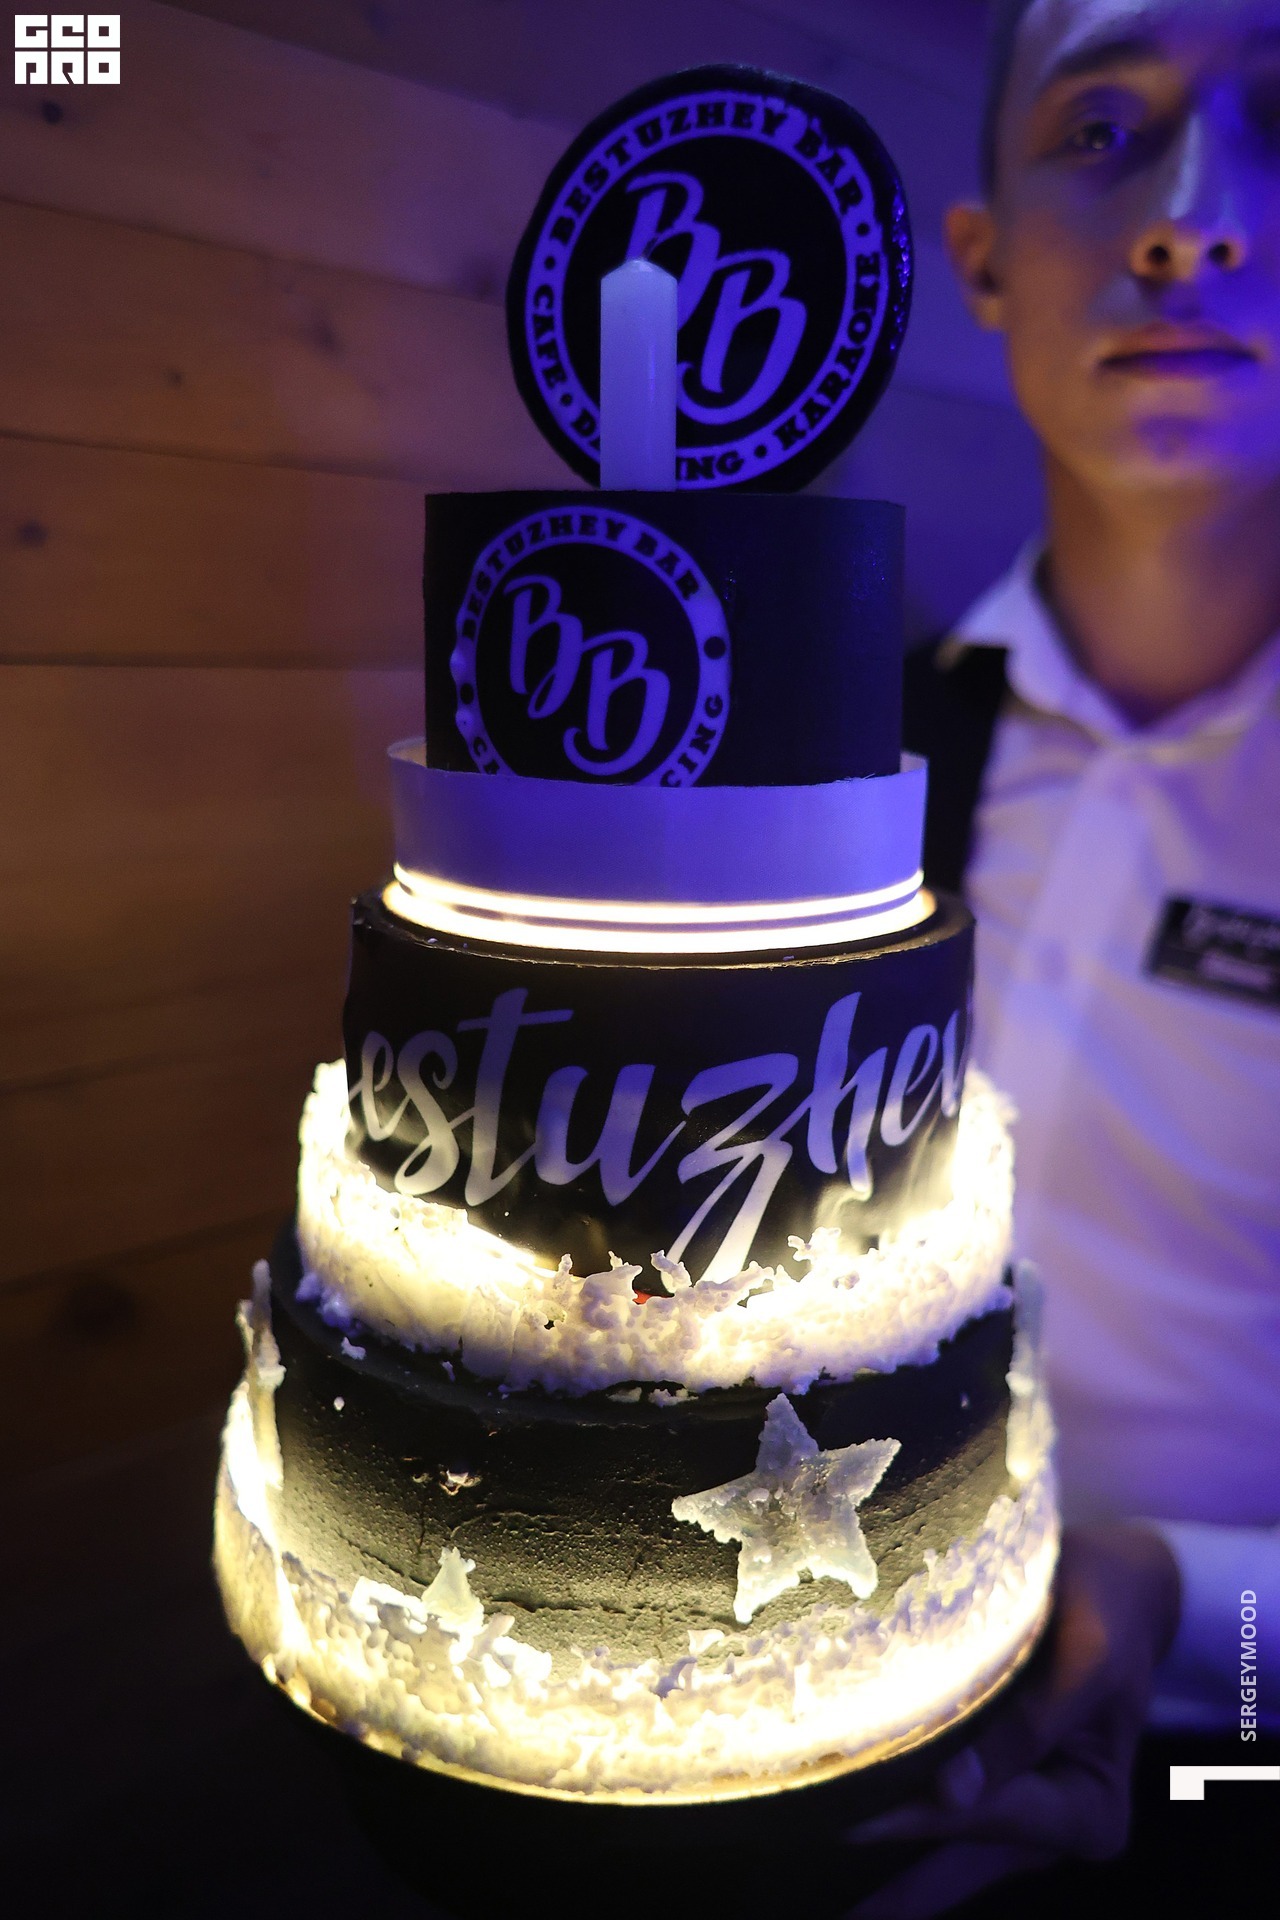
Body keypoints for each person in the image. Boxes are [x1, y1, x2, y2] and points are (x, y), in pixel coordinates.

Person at [845, 1, 1280, 1912]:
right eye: (1102, 130)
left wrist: (1193, 1613)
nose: (1188, 218)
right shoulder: (855, 759)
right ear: (986, 260)